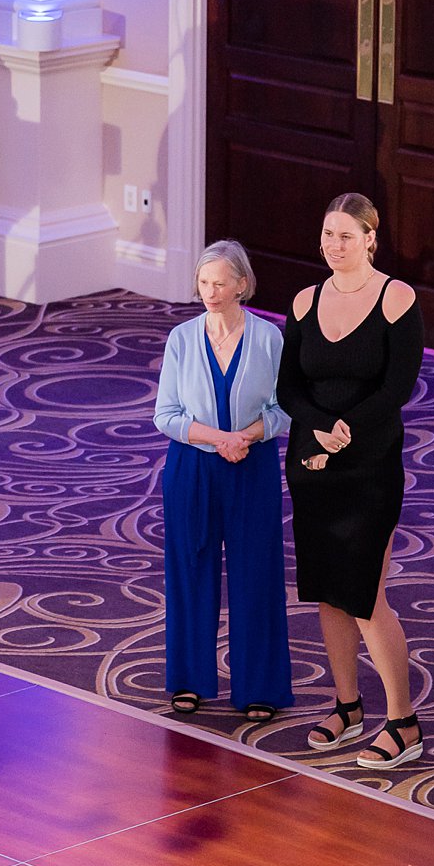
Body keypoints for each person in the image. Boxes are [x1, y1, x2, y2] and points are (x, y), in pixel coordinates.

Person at [278, 193, 425, 768]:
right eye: (326, 234)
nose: (333, 246)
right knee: (327, 591)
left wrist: (346, 430)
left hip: (369, 462)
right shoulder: (304, 301)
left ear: (370, 238)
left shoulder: (396, 298)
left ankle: (403, 722)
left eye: (345, 235)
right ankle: (347, 704)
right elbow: (290, 387)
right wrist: (318, 429)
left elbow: (398, 389)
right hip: (311, 460)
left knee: (364, 591)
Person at [154, 241, 291, 722]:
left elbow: (284, 409)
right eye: (203, 282)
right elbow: (166, 416)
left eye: (219, 283)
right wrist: (219, 439)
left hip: (251, 467)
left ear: (242, 285)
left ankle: (259, 686)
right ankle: (189, 680)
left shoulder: (269, 339)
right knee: (191, 571)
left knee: (257, 573)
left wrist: (245, 438)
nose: (209, 292)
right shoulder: (181, 338)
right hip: (191, 467)